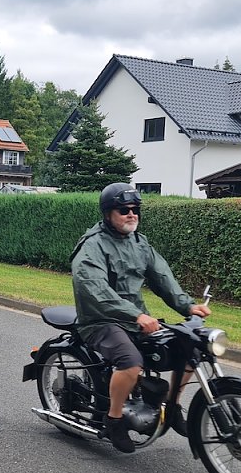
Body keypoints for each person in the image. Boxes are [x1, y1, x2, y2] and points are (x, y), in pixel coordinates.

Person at [71, 183, 211, 453]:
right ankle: (114, 419)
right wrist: (136, 314)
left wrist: (188, 306)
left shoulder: (139, 242)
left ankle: (172, 407)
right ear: (108, 213)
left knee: (189, 348)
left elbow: (162, 277)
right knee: (131, 363)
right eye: (124, 210)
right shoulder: (93, 246)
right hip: (100, 321)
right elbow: (96, 291)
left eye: (135, 209)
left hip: (135, 318)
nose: (131, 214)